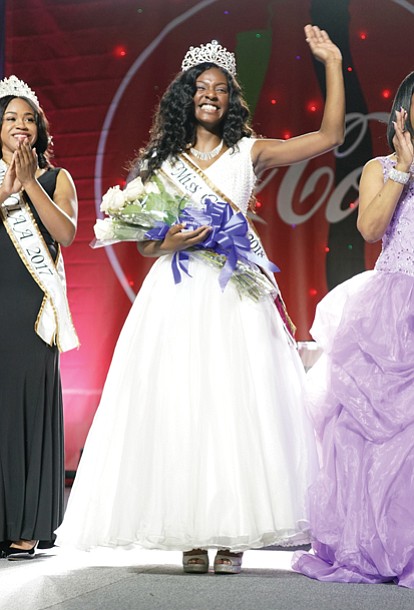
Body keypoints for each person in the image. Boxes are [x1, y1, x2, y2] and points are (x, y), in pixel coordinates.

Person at [55, 25, 344, 574]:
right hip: (178, 293)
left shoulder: (248, 152)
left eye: (220, 88)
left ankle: (232, 533)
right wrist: (171, 239)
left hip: (236, 296)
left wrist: (331, 62)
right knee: (183, 406)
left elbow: (329, 137)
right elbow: (142, 242)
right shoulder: (159, 164)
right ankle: (190, 533)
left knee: (235, 407)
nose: (210, 94)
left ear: (232, 99)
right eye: (200, 86)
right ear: (185, 96)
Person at [292, 72, 414, 587]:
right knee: (368, 430)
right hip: (389, 310)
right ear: (403, 112)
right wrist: (404, 169)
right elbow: (368, 228)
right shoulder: (378, 168)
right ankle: (372, 544)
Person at [0, 76, 79, 559]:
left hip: (31, 311)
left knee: (26, 408)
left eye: (29, 118)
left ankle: (27, 525)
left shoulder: (56, 178)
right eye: (10, 118)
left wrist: (29, 184)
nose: (20, 126)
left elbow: (66, 234)